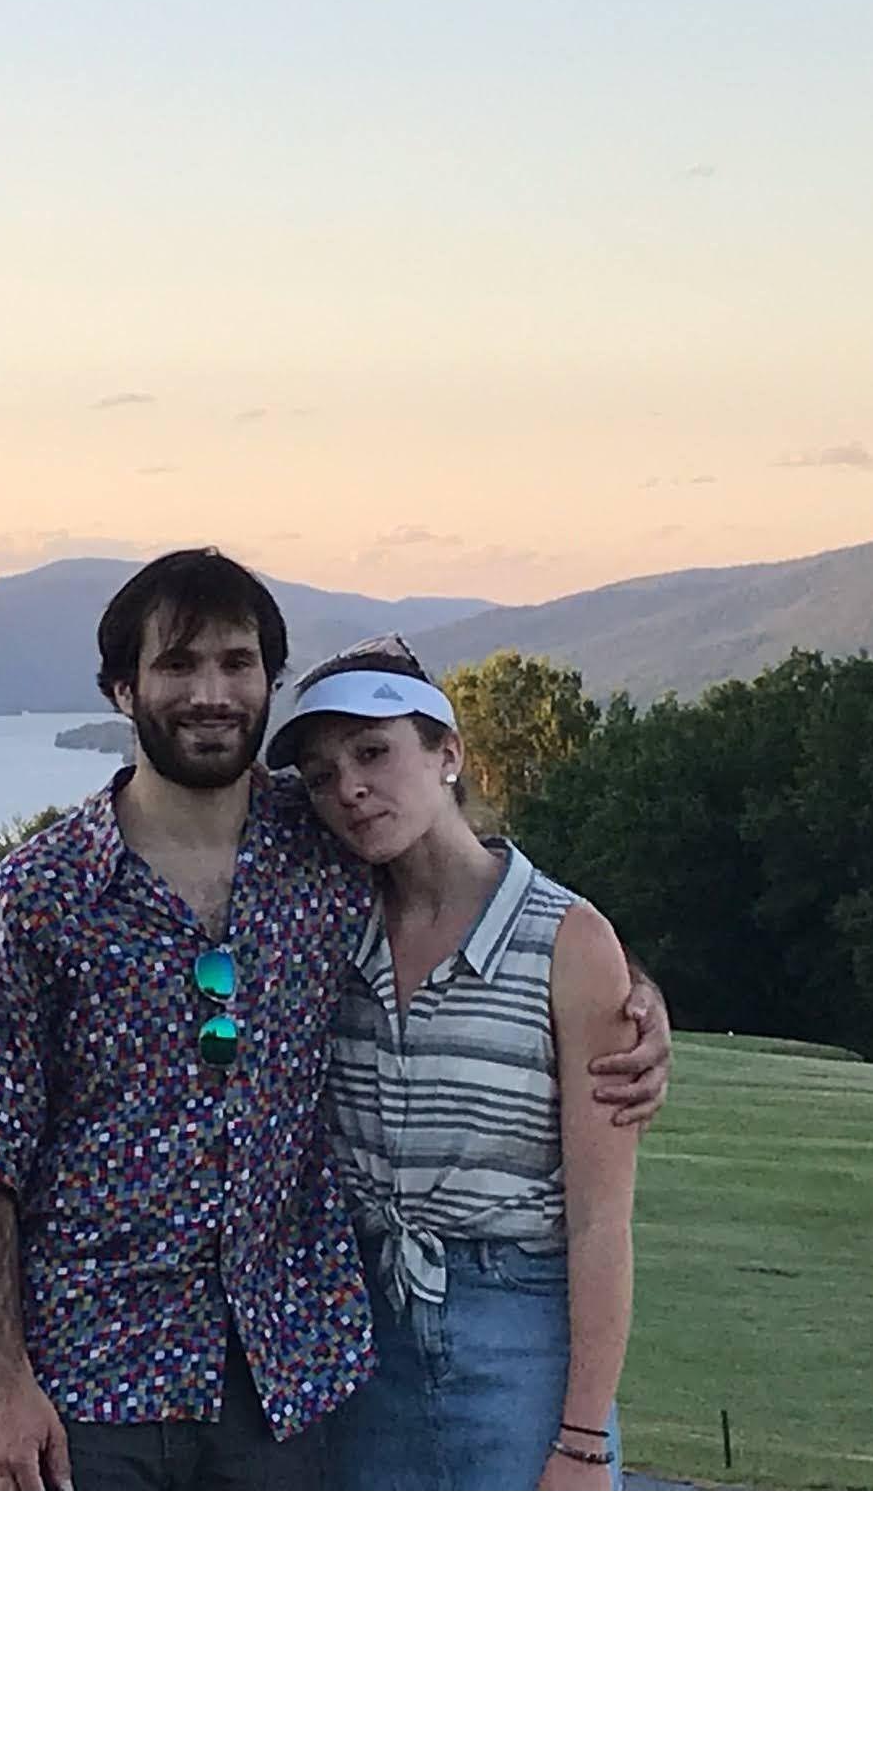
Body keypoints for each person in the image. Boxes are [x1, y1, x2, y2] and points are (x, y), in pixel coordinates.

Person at [0, 549, 668, 1491]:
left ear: (269, 682)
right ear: (122, 688)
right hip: (94, 1380)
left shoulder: (321, 843)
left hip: (288, 1383)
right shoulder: (40, 894)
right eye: (177, 664)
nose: (211, 693)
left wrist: (628, 991)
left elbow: (475, 889)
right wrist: (1, 1383)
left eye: (236, 663)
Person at [266, 637, 636, 1489]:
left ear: (448, 754)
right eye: (321, 776)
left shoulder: (568, 940)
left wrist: (583, 1440)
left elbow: (600, 1221)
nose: (349, 788)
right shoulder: (324, 931)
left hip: (519, 1337)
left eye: (374, 752)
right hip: (359, 1343)